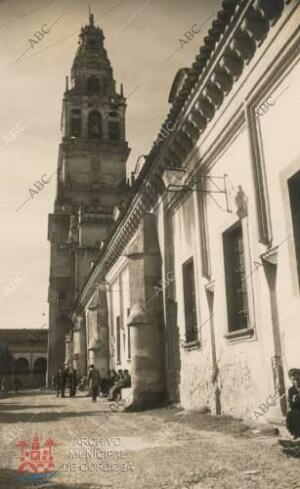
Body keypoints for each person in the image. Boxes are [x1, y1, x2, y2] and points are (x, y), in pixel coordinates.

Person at [286, 368, 300, 440]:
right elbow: (291, 405)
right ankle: (296, 435)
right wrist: (294, 401)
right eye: (294, 379)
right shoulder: (291, 390)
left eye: (297, 379)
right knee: (290, 414)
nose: (296, 381)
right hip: (297, 411)